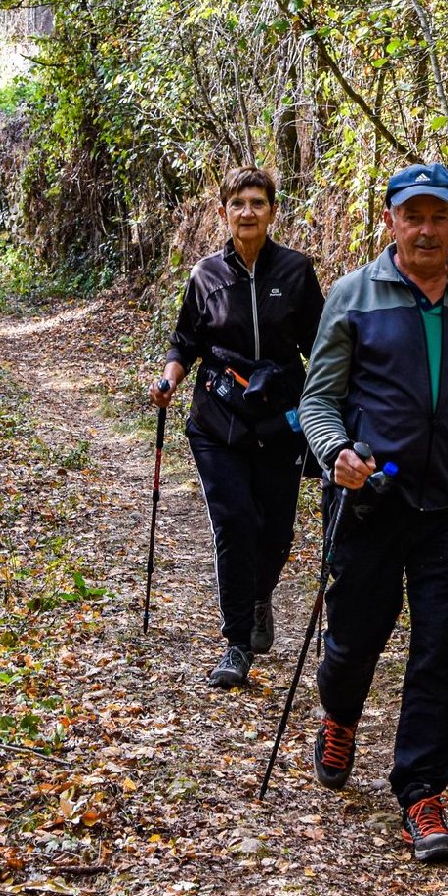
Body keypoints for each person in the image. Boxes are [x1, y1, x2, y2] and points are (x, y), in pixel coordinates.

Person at [297, 161, 448, 864]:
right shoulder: (353, 295)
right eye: (413, 214)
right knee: (355, 635)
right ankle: (339, 712)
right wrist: (334, 450)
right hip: (370, 501)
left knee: (439, 649)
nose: (426, 228)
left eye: (439, 215)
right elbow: (317, 399)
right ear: (389, 217)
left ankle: (422, 791)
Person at [154, 167, 325, 689]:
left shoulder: (296, 271)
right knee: (234, 522)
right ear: (223, 211)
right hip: (218, 420)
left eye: (257, 203)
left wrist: (332, 405)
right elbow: (187, 341)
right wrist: (168, 377)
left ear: (273, 211)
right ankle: (235, 643)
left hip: (280, 421)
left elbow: (320, 347)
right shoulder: (206, 274)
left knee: (273, 531)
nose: (247, 212)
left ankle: (258, 599)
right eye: (237, 204)